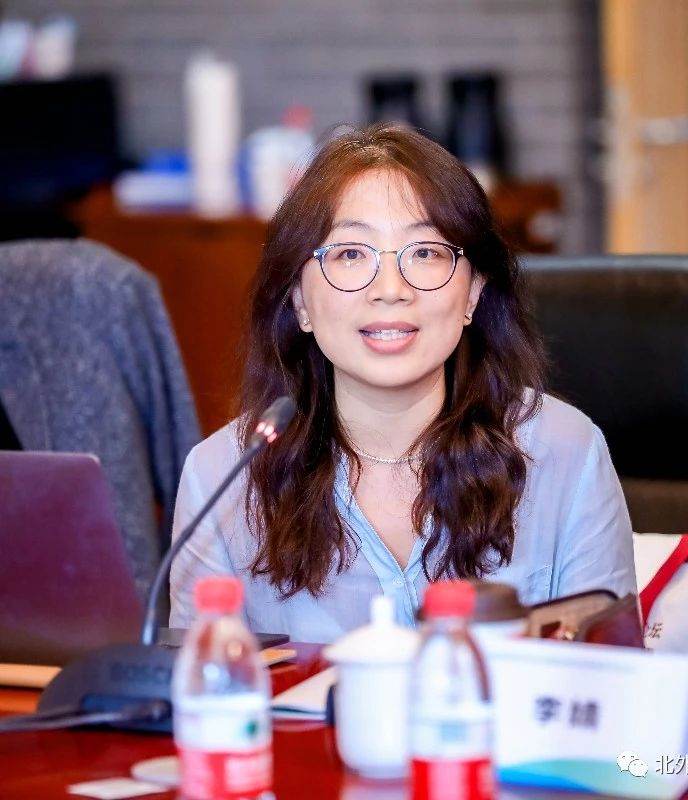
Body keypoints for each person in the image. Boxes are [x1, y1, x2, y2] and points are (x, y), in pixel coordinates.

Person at [169, 124, 636, 641]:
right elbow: (201, 680)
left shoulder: (565, 452)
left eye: (425, 252)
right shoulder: (221, 478)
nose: (390, 290)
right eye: (351, 254)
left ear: (473, 293)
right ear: (300, 301)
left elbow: (610, 677)